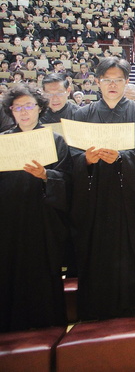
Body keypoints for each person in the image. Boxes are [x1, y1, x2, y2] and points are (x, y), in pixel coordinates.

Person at [70, 57, 135, 320]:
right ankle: (96, 308)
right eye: (107, 79)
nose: (112, 84)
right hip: (94, 196)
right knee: (95, 250)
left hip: (129, 197)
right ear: (97, 81)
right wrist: (85, 159)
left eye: (118, 79)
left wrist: (121, 157)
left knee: (132, 250)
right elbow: (71, 154)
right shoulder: (82, 114)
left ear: (126, 82)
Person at [0, 84, 71, 332]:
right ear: (11, 111)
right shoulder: (3, 140)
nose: (24, 111)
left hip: (42, 220)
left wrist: (46, 175)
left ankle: (47, 326)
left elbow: (67, 179)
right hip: (9, 219)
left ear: (39, 108)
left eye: (29, 105)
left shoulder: (55, 140)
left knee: (42, 272)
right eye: (18, 107)